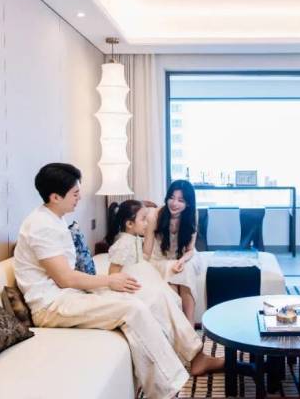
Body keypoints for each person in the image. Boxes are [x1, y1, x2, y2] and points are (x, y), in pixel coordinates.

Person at [13, 163, 222, 399]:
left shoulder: (55, 219)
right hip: (52, 306)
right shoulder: (41, 226)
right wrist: (109, 281)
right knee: (132, 308)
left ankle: (196, 356)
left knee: (154, 294)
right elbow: (64, 278)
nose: (80, 197)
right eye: (75, 193)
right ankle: (166, 390)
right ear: (55, 197)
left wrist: (108, 282)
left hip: (71, 295)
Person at [144, 180, 205, 325]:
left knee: (187, 269)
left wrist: (181, 261)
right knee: (173, 271)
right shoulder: (155, 216)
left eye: (180, 200)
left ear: (188, 203)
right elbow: (147, 251)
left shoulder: (192, 214)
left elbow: (190, 250)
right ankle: (178, 327)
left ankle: (189, 326)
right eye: (171, 198)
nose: (174, 203)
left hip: (184, 256)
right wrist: (141, 269)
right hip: (160, 259)